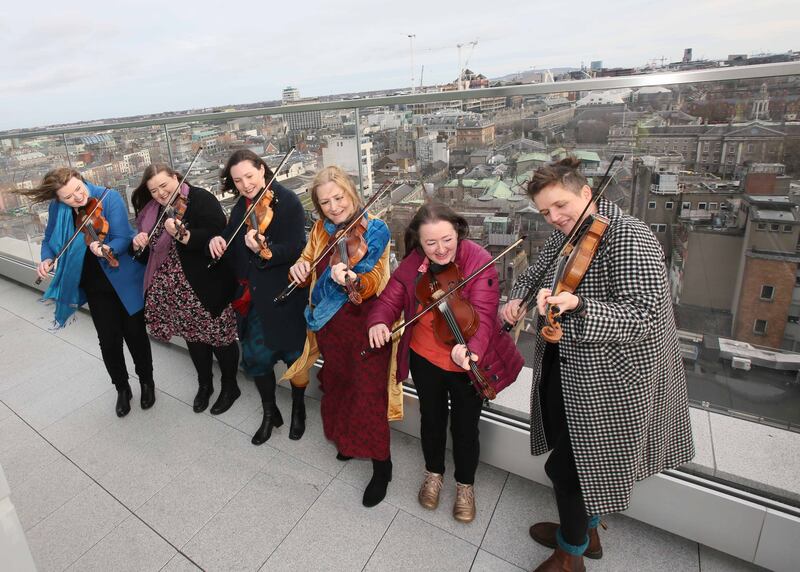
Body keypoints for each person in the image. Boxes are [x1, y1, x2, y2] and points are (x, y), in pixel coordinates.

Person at [500, 157, 694, 571]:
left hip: (613, 378)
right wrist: (517, 297)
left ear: (587, 193)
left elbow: (641, 316)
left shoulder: (630, 238)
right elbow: (535, 271)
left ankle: (570, 557)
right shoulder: (572, 230)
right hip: (569, 362)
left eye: (560, 205)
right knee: (572, 457)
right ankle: (583, 530)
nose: (554, 217)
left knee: (567, 470)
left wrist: (580, 305)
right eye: (545, 212)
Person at [367, 202, 523, 523]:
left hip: (467, 364)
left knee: (466, 429)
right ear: (419, 243)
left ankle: (465, 485)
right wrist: (379, 321)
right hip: (425, 360)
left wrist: (468, 350)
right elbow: (392, 296)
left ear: (458, 232)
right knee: (431, 420)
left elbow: (482, 311)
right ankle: (433, 473)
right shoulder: (414, 264)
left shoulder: (479, 261)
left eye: (447, 240)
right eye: (431, 243)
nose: (440, 250)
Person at [285, 165, 397, 508]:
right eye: (326, 202)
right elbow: (307, 261)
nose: (334, 207)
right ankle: (347, 441)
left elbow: (375, 278)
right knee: (339, 383)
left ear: (351, 193)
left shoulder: (375, 229)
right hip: (330, 325)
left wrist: (351, 278)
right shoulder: (320, 229)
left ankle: (382, 466)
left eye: (339, 198)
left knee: (367, 394)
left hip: (365, 324)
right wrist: (299, 268)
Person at [25, 168, 154, 418]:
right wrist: (47, 258)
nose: (77, 197)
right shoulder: (57, 209)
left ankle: (147, 383)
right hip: (93, 282)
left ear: (82, 179)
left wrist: (106, 248)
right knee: (108, 340)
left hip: (122, 276)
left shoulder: (109, 197)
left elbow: (123, 237)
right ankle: (122, 388)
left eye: (78, 189)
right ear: (58, 199)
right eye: (68, 197)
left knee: (135, 334)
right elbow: (49, 239)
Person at [208, 149, 308, 444]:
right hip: (253, 298)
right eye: (238, 180)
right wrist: (218, 239)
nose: (245, 184)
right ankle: (269, 412)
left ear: (263, 170)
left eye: (249, 176)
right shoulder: (243, 205)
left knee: (294, 358)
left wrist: (264, 250)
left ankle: (299, 408)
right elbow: (231, 236)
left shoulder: (287, 201)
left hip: (283, 294)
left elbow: (294, 247)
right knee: (256, 359)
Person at [131, 163, 238, 414]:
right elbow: (147, 253)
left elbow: (216, 233)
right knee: (193, 339)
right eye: (154, 190)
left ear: (176, 177)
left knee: (221, 339)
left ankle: (230, 386)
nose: (160, 193)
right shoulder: (152, 211)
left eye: (164, 185)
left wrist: (185, 235)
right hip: (175, 292)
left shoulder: (201, 199)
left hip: (205, 285)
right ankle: (205, 385)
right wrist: (136, 243)